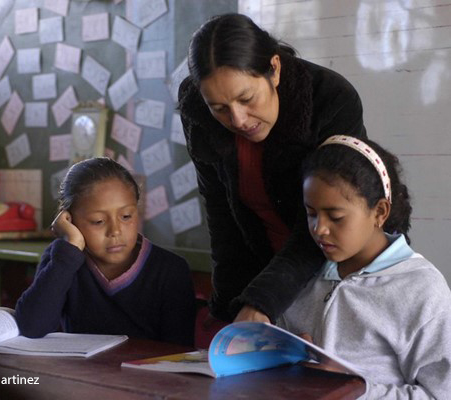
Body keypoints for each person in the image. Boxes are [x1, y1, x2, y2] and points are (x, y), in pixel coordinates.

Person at [178, 13, 367, 325]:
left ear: (274, 70)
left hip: (342, 270)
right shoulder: (198, 112)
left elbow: (329, 221)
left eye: (247, 98)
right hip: (270, 275)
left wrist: (262, 300)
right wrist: (225, 311)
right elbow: (222, 217)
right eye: (220, 108)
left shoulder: (331, 99)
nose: (238, 120)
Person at [279, 135, 451, 399]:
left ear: (380, 212)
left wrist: (357, 389)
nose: (319, 229)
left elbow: (441, 393)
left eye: (335, 217)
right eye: (311, 213)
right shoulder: (304, 272)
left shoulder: (420, 289)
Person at [15, 157, 196, 346]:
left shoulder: (170, 270)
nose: (115, 231)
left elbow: (179, 353)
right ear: (69, 220)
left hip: (146, 375)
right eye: (98, 221)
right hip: (80, 374)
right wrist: (68, 252)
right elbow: (32, 327)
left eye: (126, 216)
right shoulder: (62, 259)